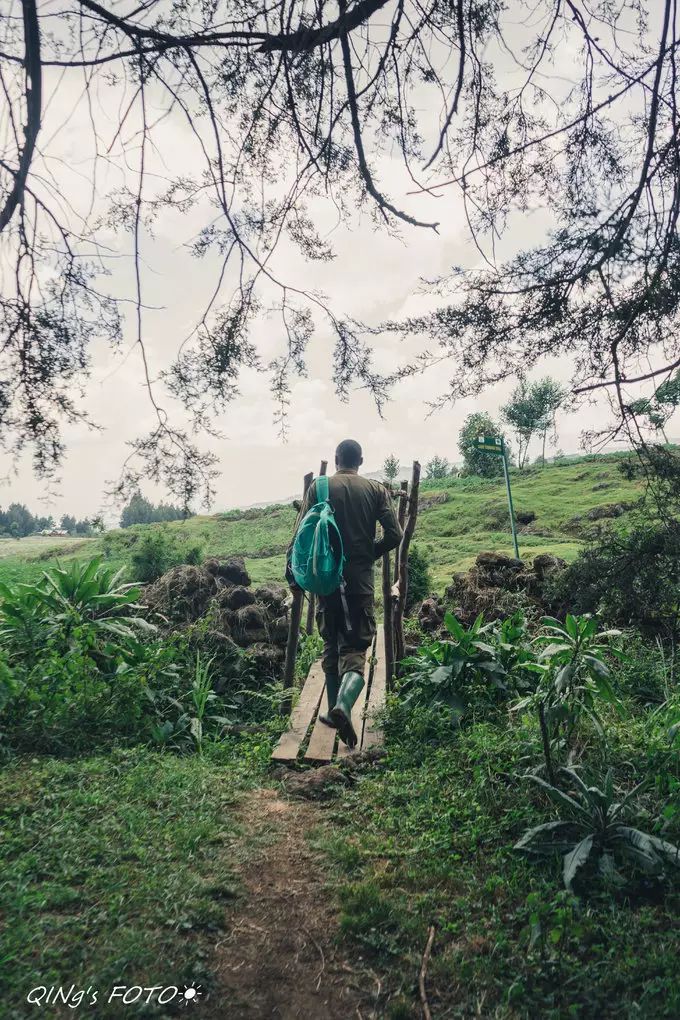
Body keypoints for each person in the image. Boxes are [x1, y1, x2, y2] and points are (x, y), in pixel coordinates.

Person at [287, 439, 402, 748]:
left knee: (330, 643)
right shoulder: (375, 490)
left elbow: (300, 535)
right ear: (360, 461)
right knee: (356, 648)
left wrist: (294, 575)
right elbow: (395, 534)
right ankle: (344, 705)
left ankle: (331, 709)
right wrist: (368, 554)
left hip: (326, 583)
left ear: (336, 459)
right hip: (360, 585)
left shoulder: (319, 487)